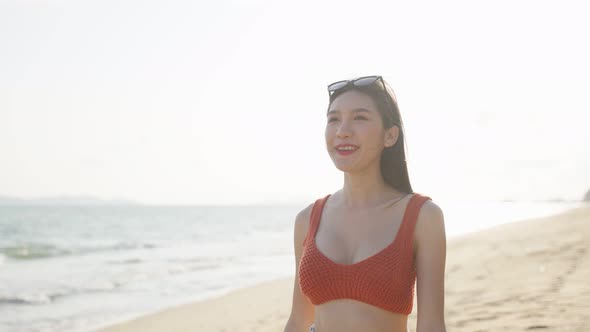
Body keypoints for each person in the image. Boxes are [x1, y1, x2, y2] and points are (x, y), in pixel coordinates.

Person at [283, 75, 447, 332]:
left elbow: (431, 326)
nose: (342, 130)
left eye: (359, 117)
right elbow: (298, 321)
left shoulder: (422, 217)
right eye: (333, 119)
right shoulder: (307, 219)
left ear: (390, 136)